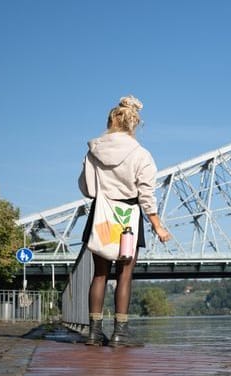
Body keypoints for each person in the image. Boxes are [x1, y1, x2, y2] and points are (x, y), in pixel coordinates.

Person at [78, 95, 171, 347]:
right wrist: (157, 225)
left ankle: (94, 333)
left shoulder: (93, 150)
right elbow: (146, 194)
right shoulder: (141, 154)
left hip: (102, 214)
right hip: (128, 218)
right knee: (124, 276)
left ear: (111, 120)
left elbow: (86, 188)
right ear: (134, 124)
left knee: (99, 275)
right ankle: (120, 334)